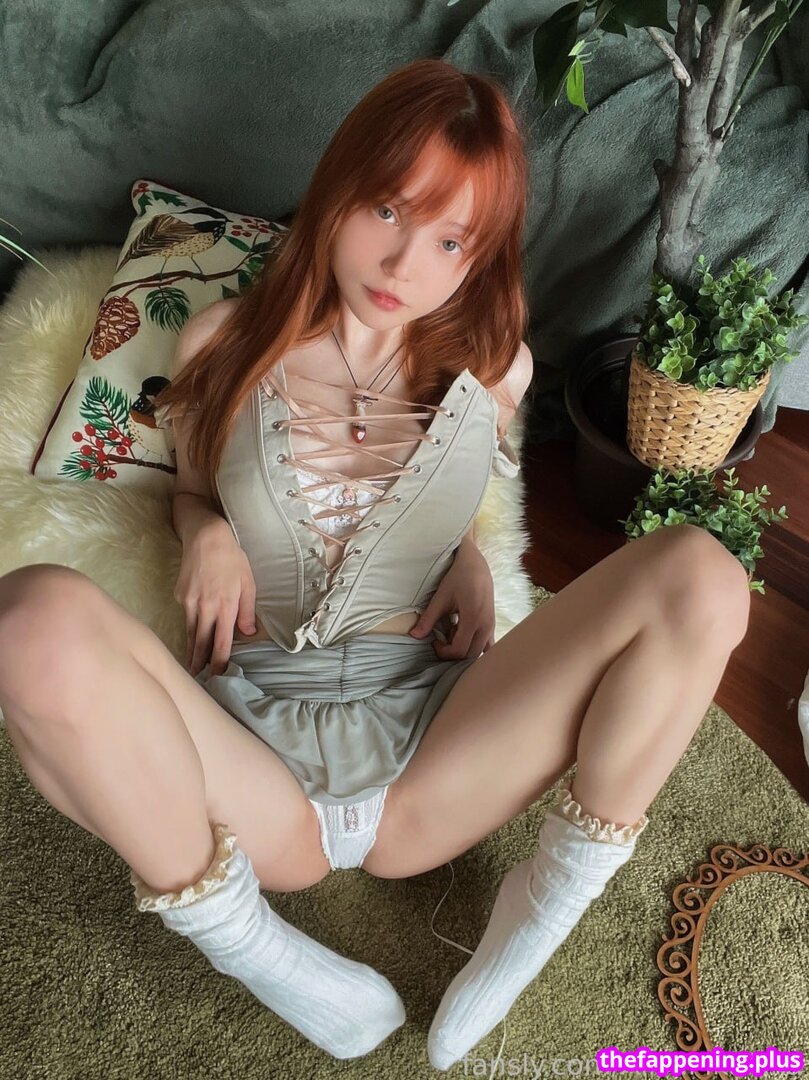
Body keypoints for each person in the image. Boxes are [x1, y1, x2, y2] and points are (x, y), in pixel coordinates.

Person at [0, 58, 751, 1069]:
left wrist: (471, 557)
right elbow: (191, 486)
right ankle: (248, 943)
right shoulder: (223, 341)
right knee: (28, 621)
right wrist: (203, 529)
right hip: (249, 757)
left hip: (435, 748)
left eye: (449, 240)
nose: (405, 262)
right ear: (338, 192)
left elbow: (465, 494)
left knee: (701, 572)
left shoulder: (494, 366)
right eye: (387, 210)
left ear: (478, 258)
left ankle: (542, 906)